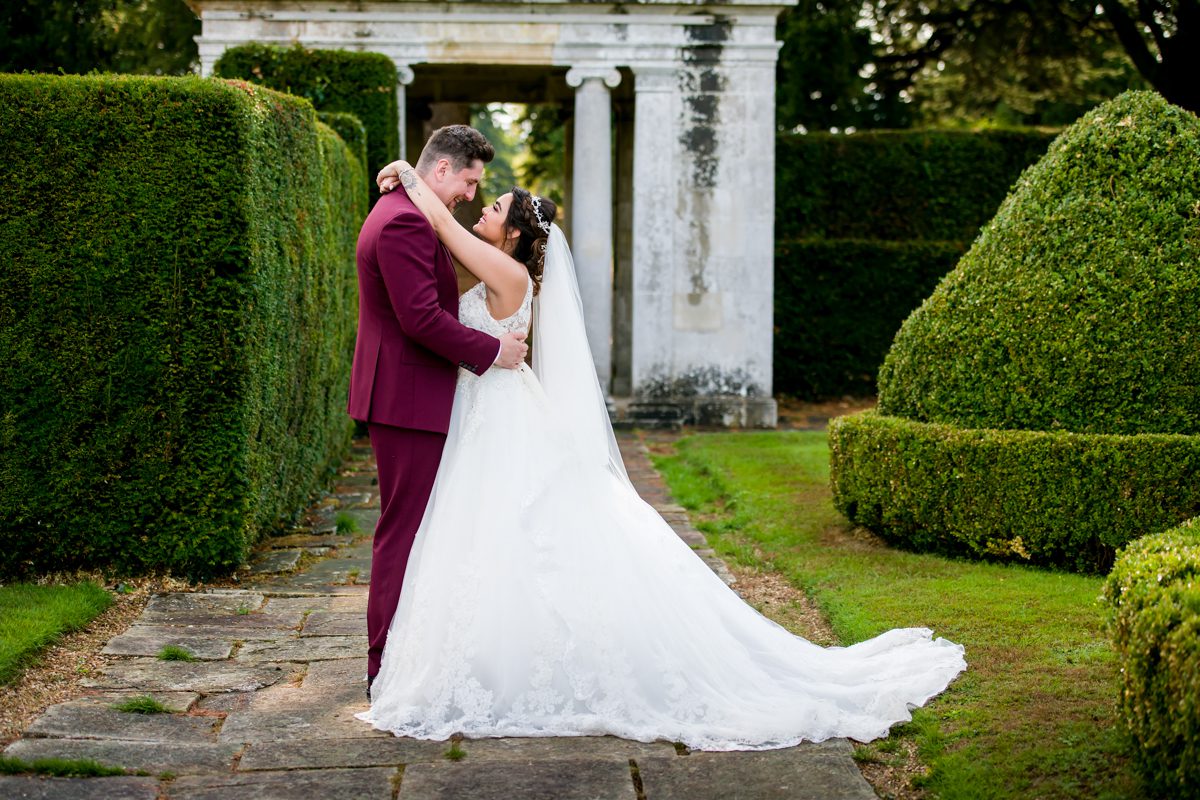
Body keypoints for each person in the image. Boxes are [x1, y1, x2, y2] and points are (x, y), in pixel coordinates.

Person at [356, 160, 967, 750]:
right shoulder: (500, 268)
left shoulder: (506, 274)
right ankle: (483, 648)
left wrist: (410, 177)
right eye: (479, 196)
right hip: (483, 408)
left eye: (492, 207)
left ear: (514, 233)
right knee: (486, 536)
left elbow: (441, 227)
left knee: (511, 530)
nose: (479, 207)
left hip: (498, 411)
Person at [347, 126, 530, 699]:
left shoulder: (402, 205)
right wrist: (492, 351)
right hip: (407, 398)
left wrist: (403, 169)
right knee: (404, 533)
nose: (471, 196)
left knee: (419, 530)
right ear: (444, 170)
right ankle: (384, 668)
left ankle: (407, 656)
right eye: (470, 182)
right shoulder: (403, 220)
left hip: (408, 394)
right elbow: (420, 319)